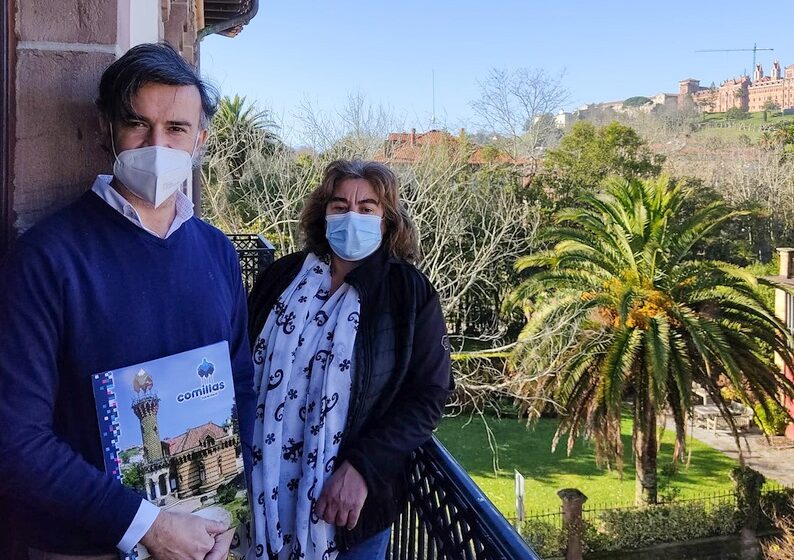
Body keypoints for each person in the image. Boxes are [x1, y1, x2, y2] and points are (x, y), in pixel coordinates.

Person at [0, 43, 255, 560]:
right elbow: (14, 438)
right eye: (137, 124)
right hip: (79, 548)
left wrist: (229, 507)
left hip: (203, 541)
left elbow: (240, 385)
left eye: (176, 129)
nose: (156, 144)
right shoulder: (46, 260)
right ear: (106, 131)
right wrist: (146, 526)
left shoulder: (218, 252)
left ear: (200, 139)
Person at [247, 159, 454, 559]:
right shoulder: (283, 276)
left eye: (367, 208)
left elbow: (429, 395)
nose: (351, 216)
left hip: (350, 515)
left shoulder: (409, 295)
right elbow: (241, 360)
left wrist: (363, 467)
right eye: (340, 206)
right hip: (260, 494)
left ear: (387, 220)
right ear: (323, 214)